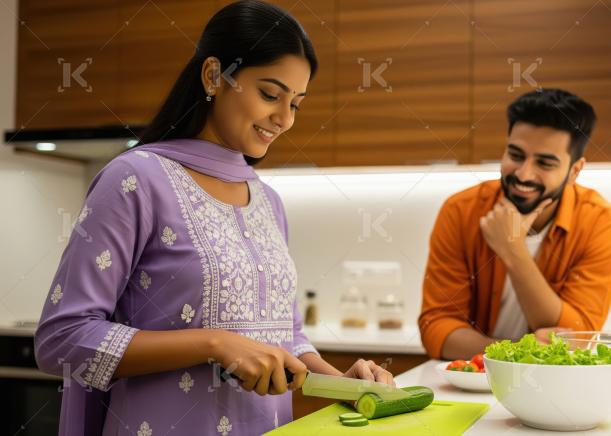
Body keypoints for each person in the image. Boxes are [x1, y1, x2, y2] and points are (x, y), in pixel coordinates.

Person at [34, 2, 392, 434]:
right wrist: (215, 343)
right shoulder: (135, 179)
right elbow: (62, 341)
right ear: (212, 76)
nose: (284, 120)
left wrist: (340, 384)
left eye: (296, 103)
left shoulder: (267, 201)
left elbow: (286, 336)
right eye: (270, 94)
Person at [418, 88, 611, 360]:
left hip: (552, 388)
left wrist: (512, 247)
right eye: (516, 155)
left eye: (545, 163)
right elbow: (437, 327)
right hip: (471, 379)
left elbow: (579, 335)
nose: (524, 174)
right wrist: (515, 354)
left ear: (575, 170)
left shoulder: (601, 222)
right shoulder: (460, 211)